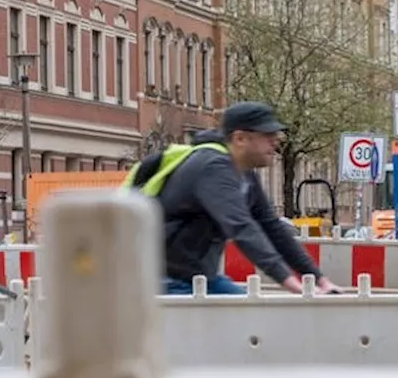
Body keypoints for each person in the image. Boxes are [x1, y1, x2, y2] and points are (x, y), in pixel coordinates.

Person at [126, 101, 341, 296]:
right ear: (239, 138)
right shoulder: (212, 168)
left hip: (200, 278)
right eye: (267, 136)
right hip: (165, 280)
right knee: (236, 327)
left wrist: (318, 278)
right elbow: (241, 228)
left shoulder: (244, 173)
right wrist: (292, 284)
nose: (275, 143)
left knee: (250, 320)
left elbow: (272, 227)